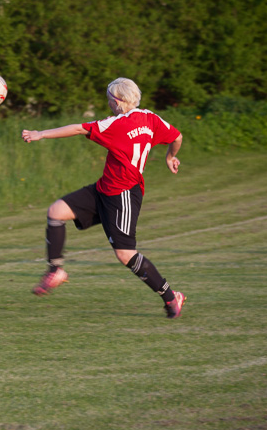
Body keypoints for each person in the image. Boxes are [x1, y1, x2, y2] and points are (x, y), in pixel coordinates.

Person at [21, 77, 186, 318]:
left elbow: (78, 128)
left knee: (126, 254)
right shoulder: (150, 118)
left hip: (123, 195)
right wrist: (170, 157)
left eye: (109, 100)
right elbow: (177, 137)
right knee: (56, 211)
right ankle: (55, 270)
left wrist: (41, 134)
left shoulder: (115, 124)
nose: (108, 103)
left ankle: (171, 296)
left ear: (117, 102)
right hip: (104, 188)